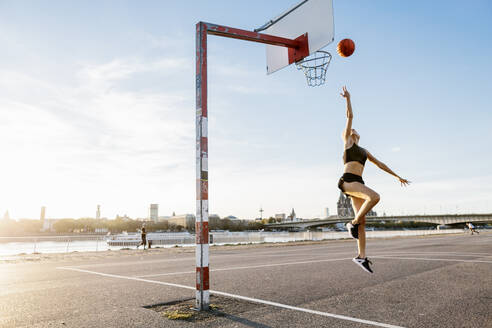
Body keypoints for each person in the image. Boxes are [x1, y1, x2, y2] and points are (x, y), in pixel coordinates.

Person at [338, 86, 410, 274]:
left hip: (358, 182)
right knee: (375, 197)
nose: (352, 130)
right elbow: (349, 117)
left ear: (359, 135)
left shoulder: (364, 151)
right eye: (350, 130)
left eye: (355, 130)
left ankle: (361, 257)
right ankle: (351, 223)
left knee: (364, 222)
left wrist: (397, 176)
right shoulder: (348, 142)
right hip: (348, 180)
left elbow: (381, 164)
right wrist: (348, 99)